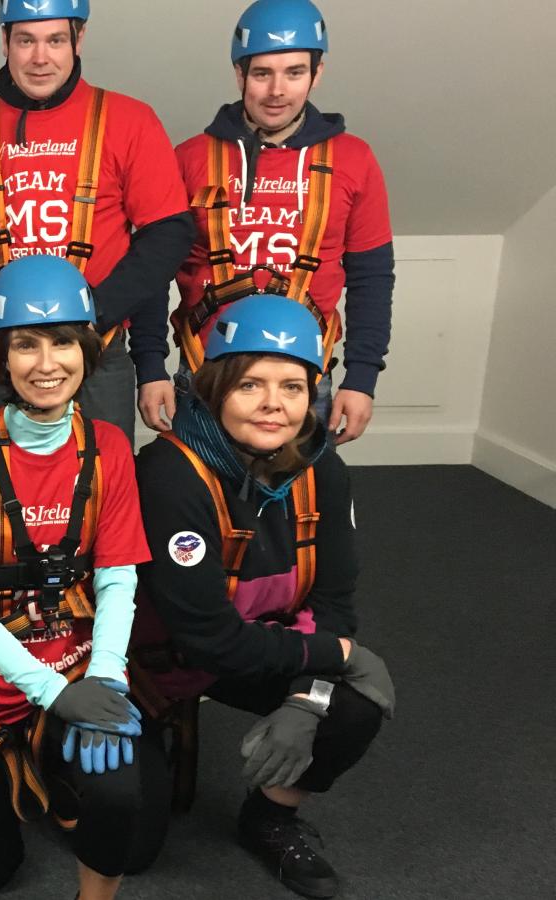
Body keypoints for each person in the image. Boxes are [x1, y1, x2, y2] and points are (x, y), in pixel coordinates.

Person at [129, 294, 395, 898]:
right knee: (133, 847)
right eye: (251, 384)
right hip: (159, 665)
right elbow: (208, 637)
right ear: (216, 385)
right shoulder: (169, 475)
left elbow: (334, 604)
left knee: (351, 709)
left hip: (263, 645)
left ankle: (270, 815)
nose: (275, 404)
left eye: (293, 387)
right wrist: (337, 657)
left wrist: (309, 696)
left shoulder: (323, 468)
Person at [0, 256, 159, 899]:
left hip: (82, 659)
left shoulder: (109, 446)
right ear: (3, 359)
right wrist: (53, 695)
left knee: (131, 838)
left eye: (63, 341)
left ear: (87, 352)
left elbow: (116, 578)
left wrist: (106, 681)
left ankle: (60, 773)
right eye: (26, 344)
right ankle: (40, 755)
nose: (47, 361)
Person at [0, 0, 193, 438]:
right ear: (4, 41)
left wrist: (98, 315)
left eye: (55, 40)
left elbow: (165, 237)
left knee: (102, 489)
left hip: (98, 350)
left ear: (78, 40)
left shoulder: (130, 122)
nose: (40, 57)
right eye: (26, 40)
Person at [133, 0, 395, 446]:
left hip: (303, 380)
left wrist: (362, 377)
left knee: (297, 507)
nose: (277, 90)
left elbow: (372, 276)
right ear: (239, 74)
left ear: (317, 72)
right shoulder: (189, 159)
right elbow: (151, 273)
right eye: (261, 74)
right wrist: (150, 366)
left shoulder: (355, 161)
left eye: (294, 72)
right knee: (192, 501)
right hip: (203, 373)